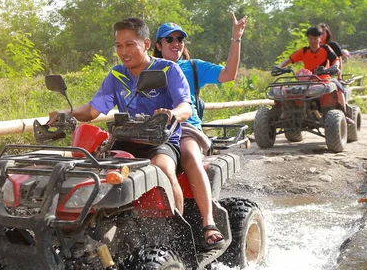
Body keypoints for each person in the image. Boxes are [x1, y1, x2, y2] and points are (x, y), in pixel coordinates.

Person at [48, 17, 193, 215]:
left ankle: (176, 230)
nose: (123, 51)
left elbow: (186, 107)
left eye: (129, 44)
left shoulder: (168, 69)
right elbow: (92, 110)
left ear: (146, 44)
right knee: (90, 170)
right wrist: (66, 112)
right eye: (119, 45)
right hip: (125, 139)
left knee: (163, 169)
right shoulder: (117, 75)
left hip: (160, 141)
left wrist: (171, 113)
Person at [153, 13, 247, 250]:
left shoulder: (193, 67)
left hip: (184, 126)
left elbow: (228, 75)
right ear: (158, 45)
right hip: (153, 129)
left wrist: (236, 39)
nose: (176, 43)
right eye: (169, 39)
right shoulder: (149, 68)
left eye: (179, 39)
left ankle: (208, 223)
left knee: (188, 153)